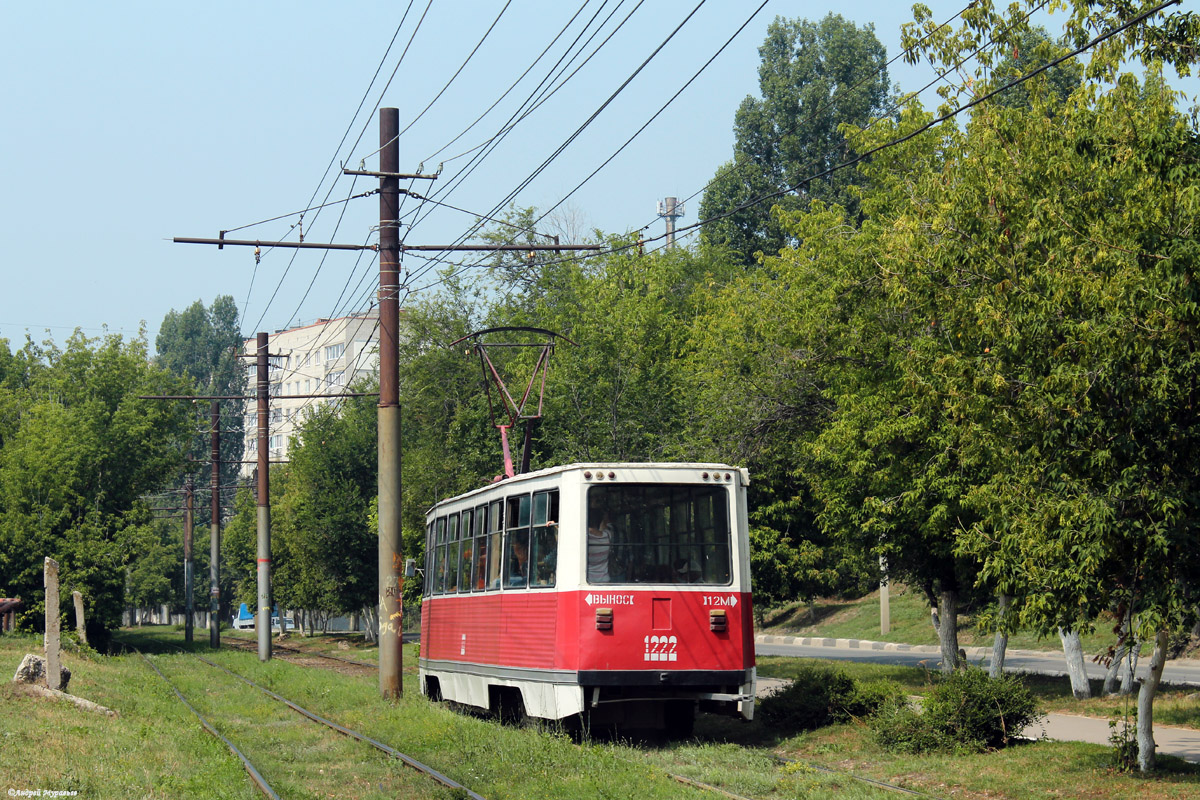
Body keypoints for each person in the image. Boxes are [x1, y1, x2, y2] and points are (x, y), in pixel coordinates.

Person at [587, 510, 613, 583]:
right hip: (604, 579)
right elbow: (602, 530)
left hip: (589, 580)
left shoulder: (586, 539)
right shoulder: (608, 535)